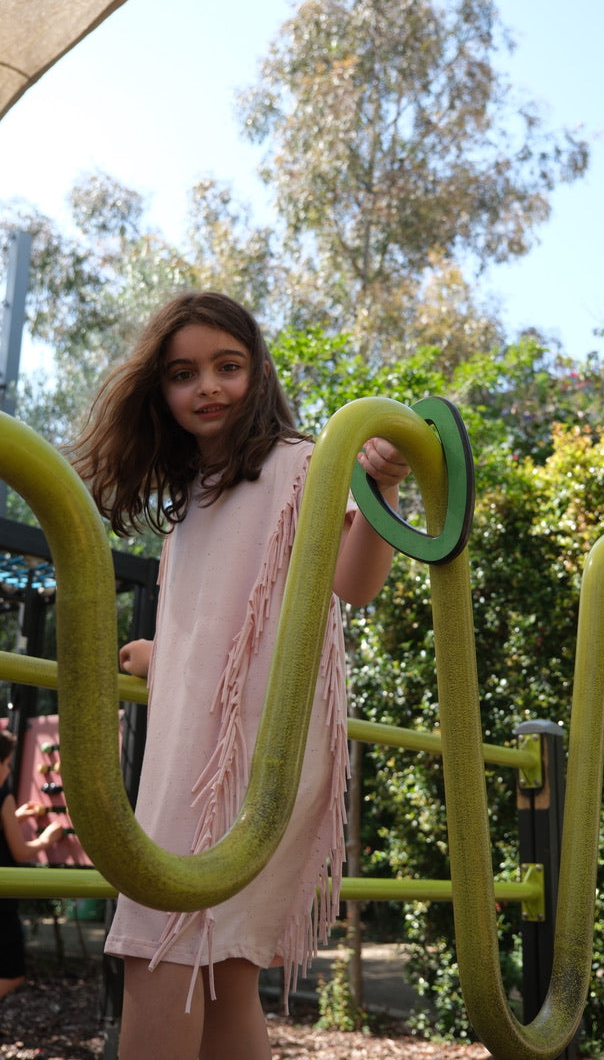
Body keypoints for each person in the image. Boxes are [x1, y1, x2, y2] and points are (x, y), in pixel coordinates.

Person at [70, 291, 410, 1059]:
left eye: (227, 366)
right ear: (161, 391)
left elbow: (353, 583)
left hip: (247, 753)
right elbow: (230, 619)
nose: (208, 387)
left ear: (258, 373)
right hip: (203, 746)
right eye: (183, 374)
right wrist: (163, 654)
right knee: (219, 973)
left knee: (159, 939)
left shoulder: (299, 463)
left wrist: (381, 487)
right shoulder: (192, 498)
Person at [0, 729, 65, 999]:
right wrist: (46, 839)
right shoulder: (3, 796)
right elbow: (20, 852)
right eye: (7, 763)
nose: (9, 770)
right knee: (11, 973)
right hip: (3, 901)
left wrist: (13, 818)